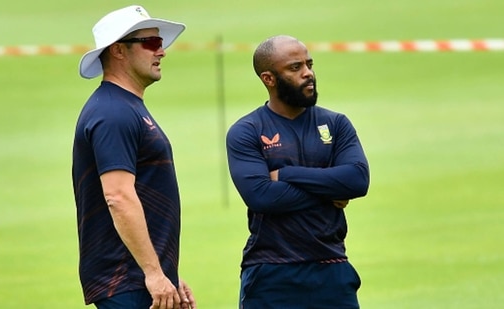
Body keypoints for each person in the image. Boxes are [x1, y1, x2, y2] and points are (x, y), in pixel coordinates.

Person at [225, 35, 370, 308]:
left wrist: (286, 174)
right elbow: (262, 197)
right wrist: (329, 189)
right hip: (271, 273)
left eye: (309, 64)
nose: (308, 74)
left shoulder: (336, 124)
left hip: (332, 268)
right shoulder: (247, 131)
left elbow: (357, 180)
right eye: (295, 68)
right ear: (269, 78)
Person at [72, 5, 196, 309]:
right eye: (152, 43)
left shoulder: (125, 107)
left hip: (137, 277)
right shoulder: (113, 113)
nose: (162, 52)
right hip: (126, 280)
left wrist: (168, 274)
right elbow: (118, 196)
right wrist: (154, 273)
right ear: (118, 51)